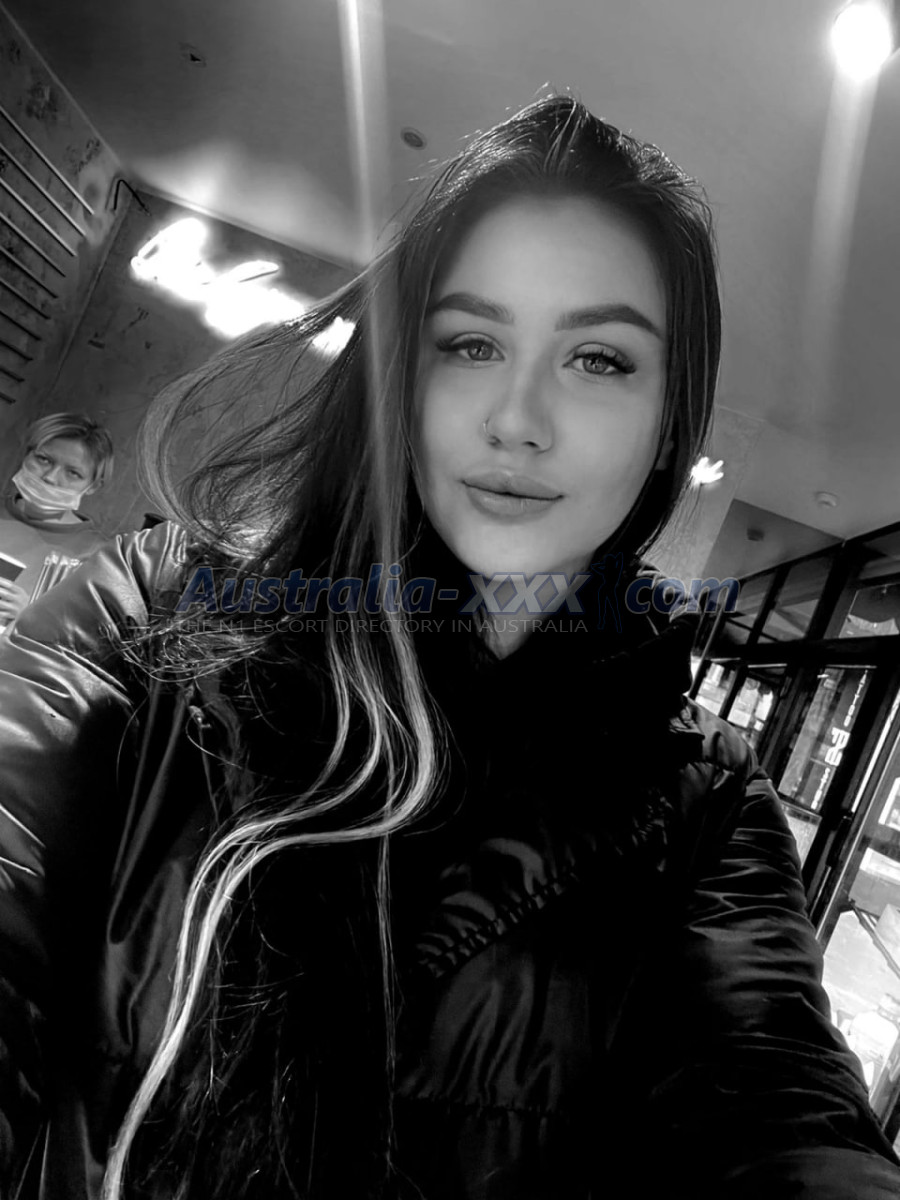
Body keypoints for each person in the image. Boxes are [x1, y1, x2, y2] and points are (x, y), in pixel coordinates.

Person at [0, 95, 897, 1200]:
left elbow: (779, 1100)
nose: (517, 418)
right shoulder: (152, 613)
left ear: (671, 421)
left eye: (600, 359)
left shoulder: (704, 806)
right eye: (471, 344)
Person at [0, 412, 114, 629]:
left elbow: (81, 636)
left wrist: (28, 617)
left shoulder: (95, 555)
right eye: (43, 459)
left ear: (93, 486)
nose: (50, 477)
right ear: (26, 455)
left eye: (73, 473)